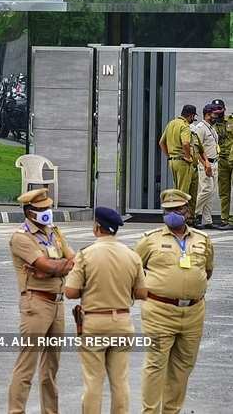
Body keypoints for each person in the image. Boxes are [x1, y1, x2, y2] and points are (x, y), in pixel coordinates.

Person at [134, 189, 214, 414]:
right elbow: (134, 270)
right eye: (168, 210)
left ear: (187, 211)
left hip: (193, 312)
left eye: (177, 209)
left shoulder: (203, 240)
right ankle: (150, 412)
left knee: (182, 367)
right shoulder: (149, 240)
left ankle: (172, 411)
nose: (172, 214)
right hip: (159, 311)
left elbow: (207, 271)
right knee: (155, 365)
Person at [65, 207, 148, 414]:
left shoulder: (86, 254)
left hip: (94, 323)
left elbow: (70, 292)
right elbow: (142, 293)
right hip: (122, 321)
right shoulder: (132, 256)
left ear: (96, 228)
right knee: (120, 381)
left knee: (93, 381)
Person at [7, 188, 75, 414]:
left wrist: (51, 270)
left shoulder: (54, 232)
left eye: (48, 207)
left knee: (51, 368)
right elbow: (46, 265)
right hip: (36, 304)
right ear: (29, 212)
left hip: (58, 303)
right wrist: (53, 268)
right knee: (26, 366)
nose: (47, 212)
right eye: (41, 209)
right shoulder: (21, 237)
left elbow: (73, 260)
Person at [193, 104, 219, 229]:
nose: (216, 116)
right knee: (206, 190)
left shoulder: (211, 128)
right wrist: (205, 164)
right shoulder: (200, 128)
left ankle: (207, 221)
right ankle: (192, 215)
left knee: (211, 192)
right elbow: (196, 149)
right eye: (214, 114)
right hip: (205, 163)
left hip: (214, 163)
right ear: (207, 114)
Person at [212, 99, 233, 230]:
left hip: (232, 158)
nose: (217, 111)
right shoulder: (211, 125)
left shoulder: (230, 121)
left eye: (219, 108)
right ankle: (225, 219)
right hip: (221, 160)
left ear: (224, 109)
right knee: (223, 192)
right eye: (215, 109)